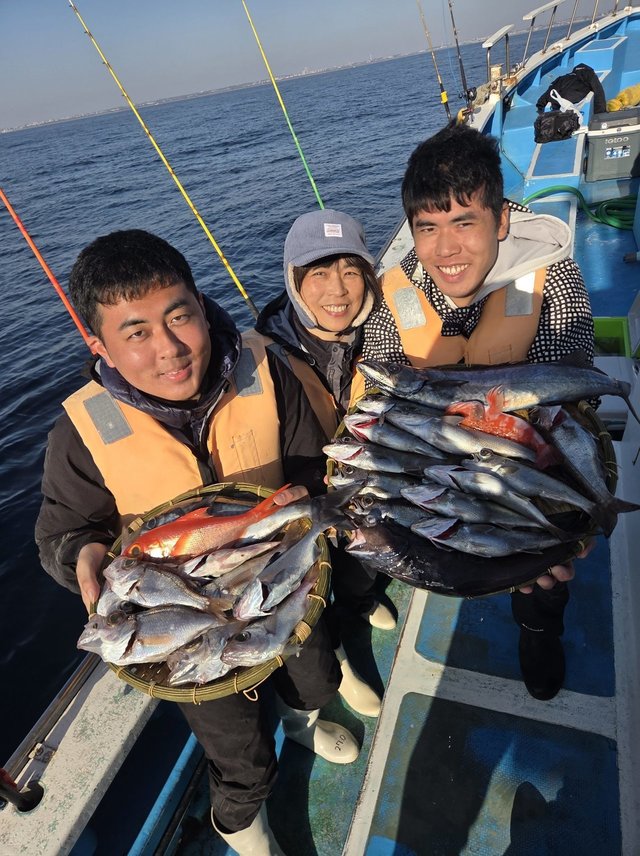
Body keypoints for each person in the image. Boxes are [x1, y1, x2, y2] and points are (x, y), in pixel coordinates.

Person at [35, 229, 362, 856]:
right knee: (238, 751)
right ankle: (240, 821)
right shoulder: (81, 430)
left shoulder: (264, 368)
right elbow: (65, 532)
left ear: (198, 301)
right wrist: (80, 554)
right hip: (184, 626)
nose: (170, 349)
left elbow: (305, 466)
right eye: (136, 334)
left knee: (316, 678)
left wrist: (304, 494)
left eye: (179, 316)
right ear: (98, 344)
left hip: (280, 576)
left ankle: (302, 723)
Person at [362, 123, 596, 702]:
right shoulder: (397, 292)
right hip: (437, 483)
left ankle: (539, 630)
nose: (446, 249)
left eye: (465, 223)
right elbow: (376, 390)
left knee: (546, 578)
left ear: (502, 220)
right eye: (428, 228)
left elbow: (571, 404)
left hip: (524, 486)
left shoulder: (552, 279)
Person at [255, 209, 398, 718]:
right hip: (304, 503)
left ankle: (358, 605)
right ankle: (333, 659)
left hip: (366, 492)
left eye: (351, 271)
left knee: (361, 570)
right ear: (294, 282)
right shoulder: (265, 355)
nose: (337, 290)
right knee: (311, 591)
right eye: (317, 273)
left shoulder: (388, 331)